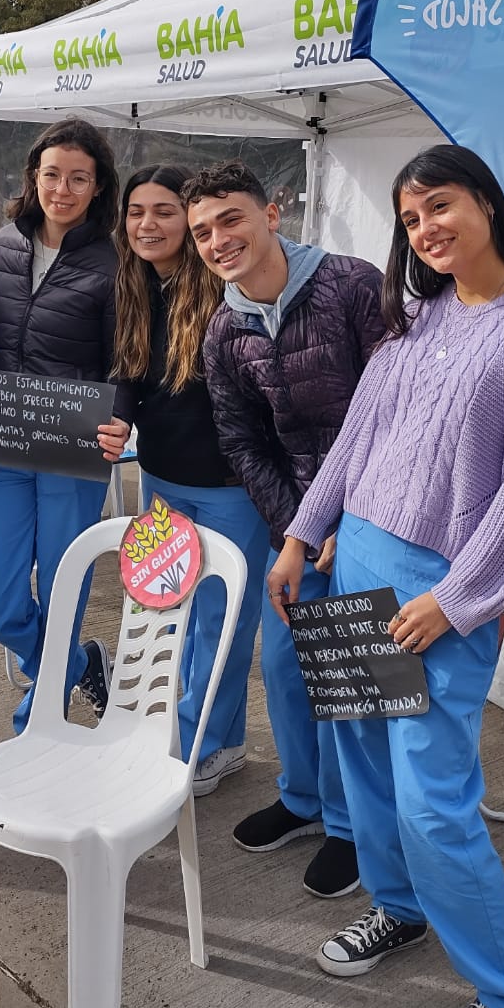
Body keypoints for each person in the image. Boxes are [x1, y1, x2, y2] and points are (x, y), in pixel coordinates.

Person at [269, 144, 504, 1008]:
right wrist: (302, 534)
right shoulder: (418, 315)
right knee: (363, 758)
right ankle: (400, 908)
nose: (427, 229)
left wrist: (456, 602)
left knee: (431, 795)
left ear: (487, 203)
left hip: (443, 588)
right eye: (411, 218)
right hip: (357, 562)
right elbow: (357, 439)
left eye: (441, 205)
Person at [183, 160, 386, 898]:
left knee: (350, 683)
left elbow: (400, 412)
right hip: (301, 526)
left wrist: (353, 518)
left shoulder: (353, 286)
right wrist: (296, 529)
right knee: (283, 671)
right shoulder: (223, 330)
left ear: (272, 213)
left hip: (377, 516)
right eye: (203, 231)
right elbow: (243, 443)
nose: (217, 239)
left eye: (230, 219)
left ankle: (352, 826)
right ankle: (303, 800)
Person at [99, 165, 271, 795]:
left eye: (165, 211)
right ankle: (187, 730)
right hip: (162, 481)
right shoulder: (135, 285)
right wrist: (118, 418)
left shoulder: (229, 289)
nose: (149, 224)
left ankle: (210, 742)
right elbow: (130, 373)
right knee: (168, 614)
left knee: (221, 620)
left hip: (231, 489)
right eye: (137, 211)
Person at [0, 116, 132, 732]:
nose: (62, 188)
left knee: (64, 586)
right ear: (33, 176)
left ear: (97, 187)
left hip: (73, 441)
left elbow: (127, 356)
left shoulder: (115, 260)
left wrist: (121, 418)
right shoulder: (7, 244)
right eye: (52, 174)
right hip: (9, 437)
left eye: (78, 178)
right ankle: (79, 663)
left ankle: (38, 722)